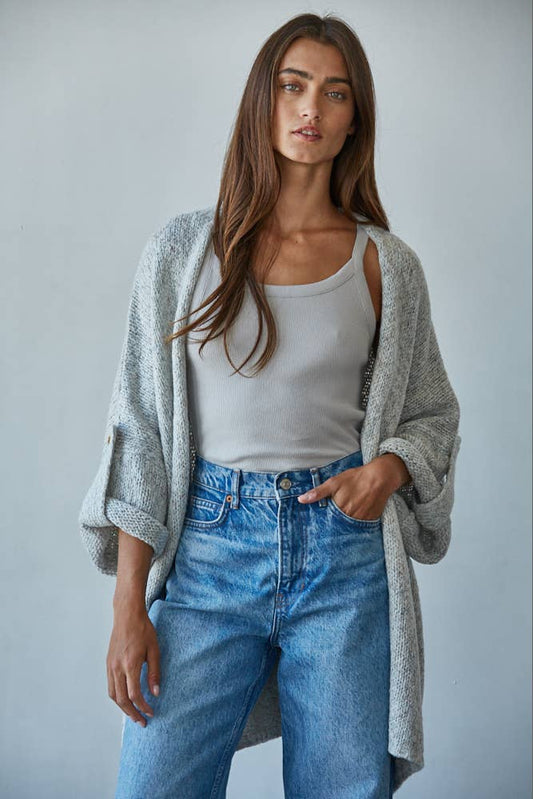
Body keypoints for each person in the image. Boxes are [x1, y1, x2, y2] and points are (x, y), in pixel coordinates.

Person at [79, 12, 462, 799]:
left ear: (354, 119)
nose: (311, 108)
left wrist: (388, 469)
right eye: (292, 86)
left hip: (343, 560)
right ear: (264, 99)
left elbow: (432, 413)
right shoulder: (183, 252)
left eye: (334, 93)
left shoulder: (385, 264)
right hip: (209, 554)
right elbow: (139, 431)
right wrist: (128, 607)